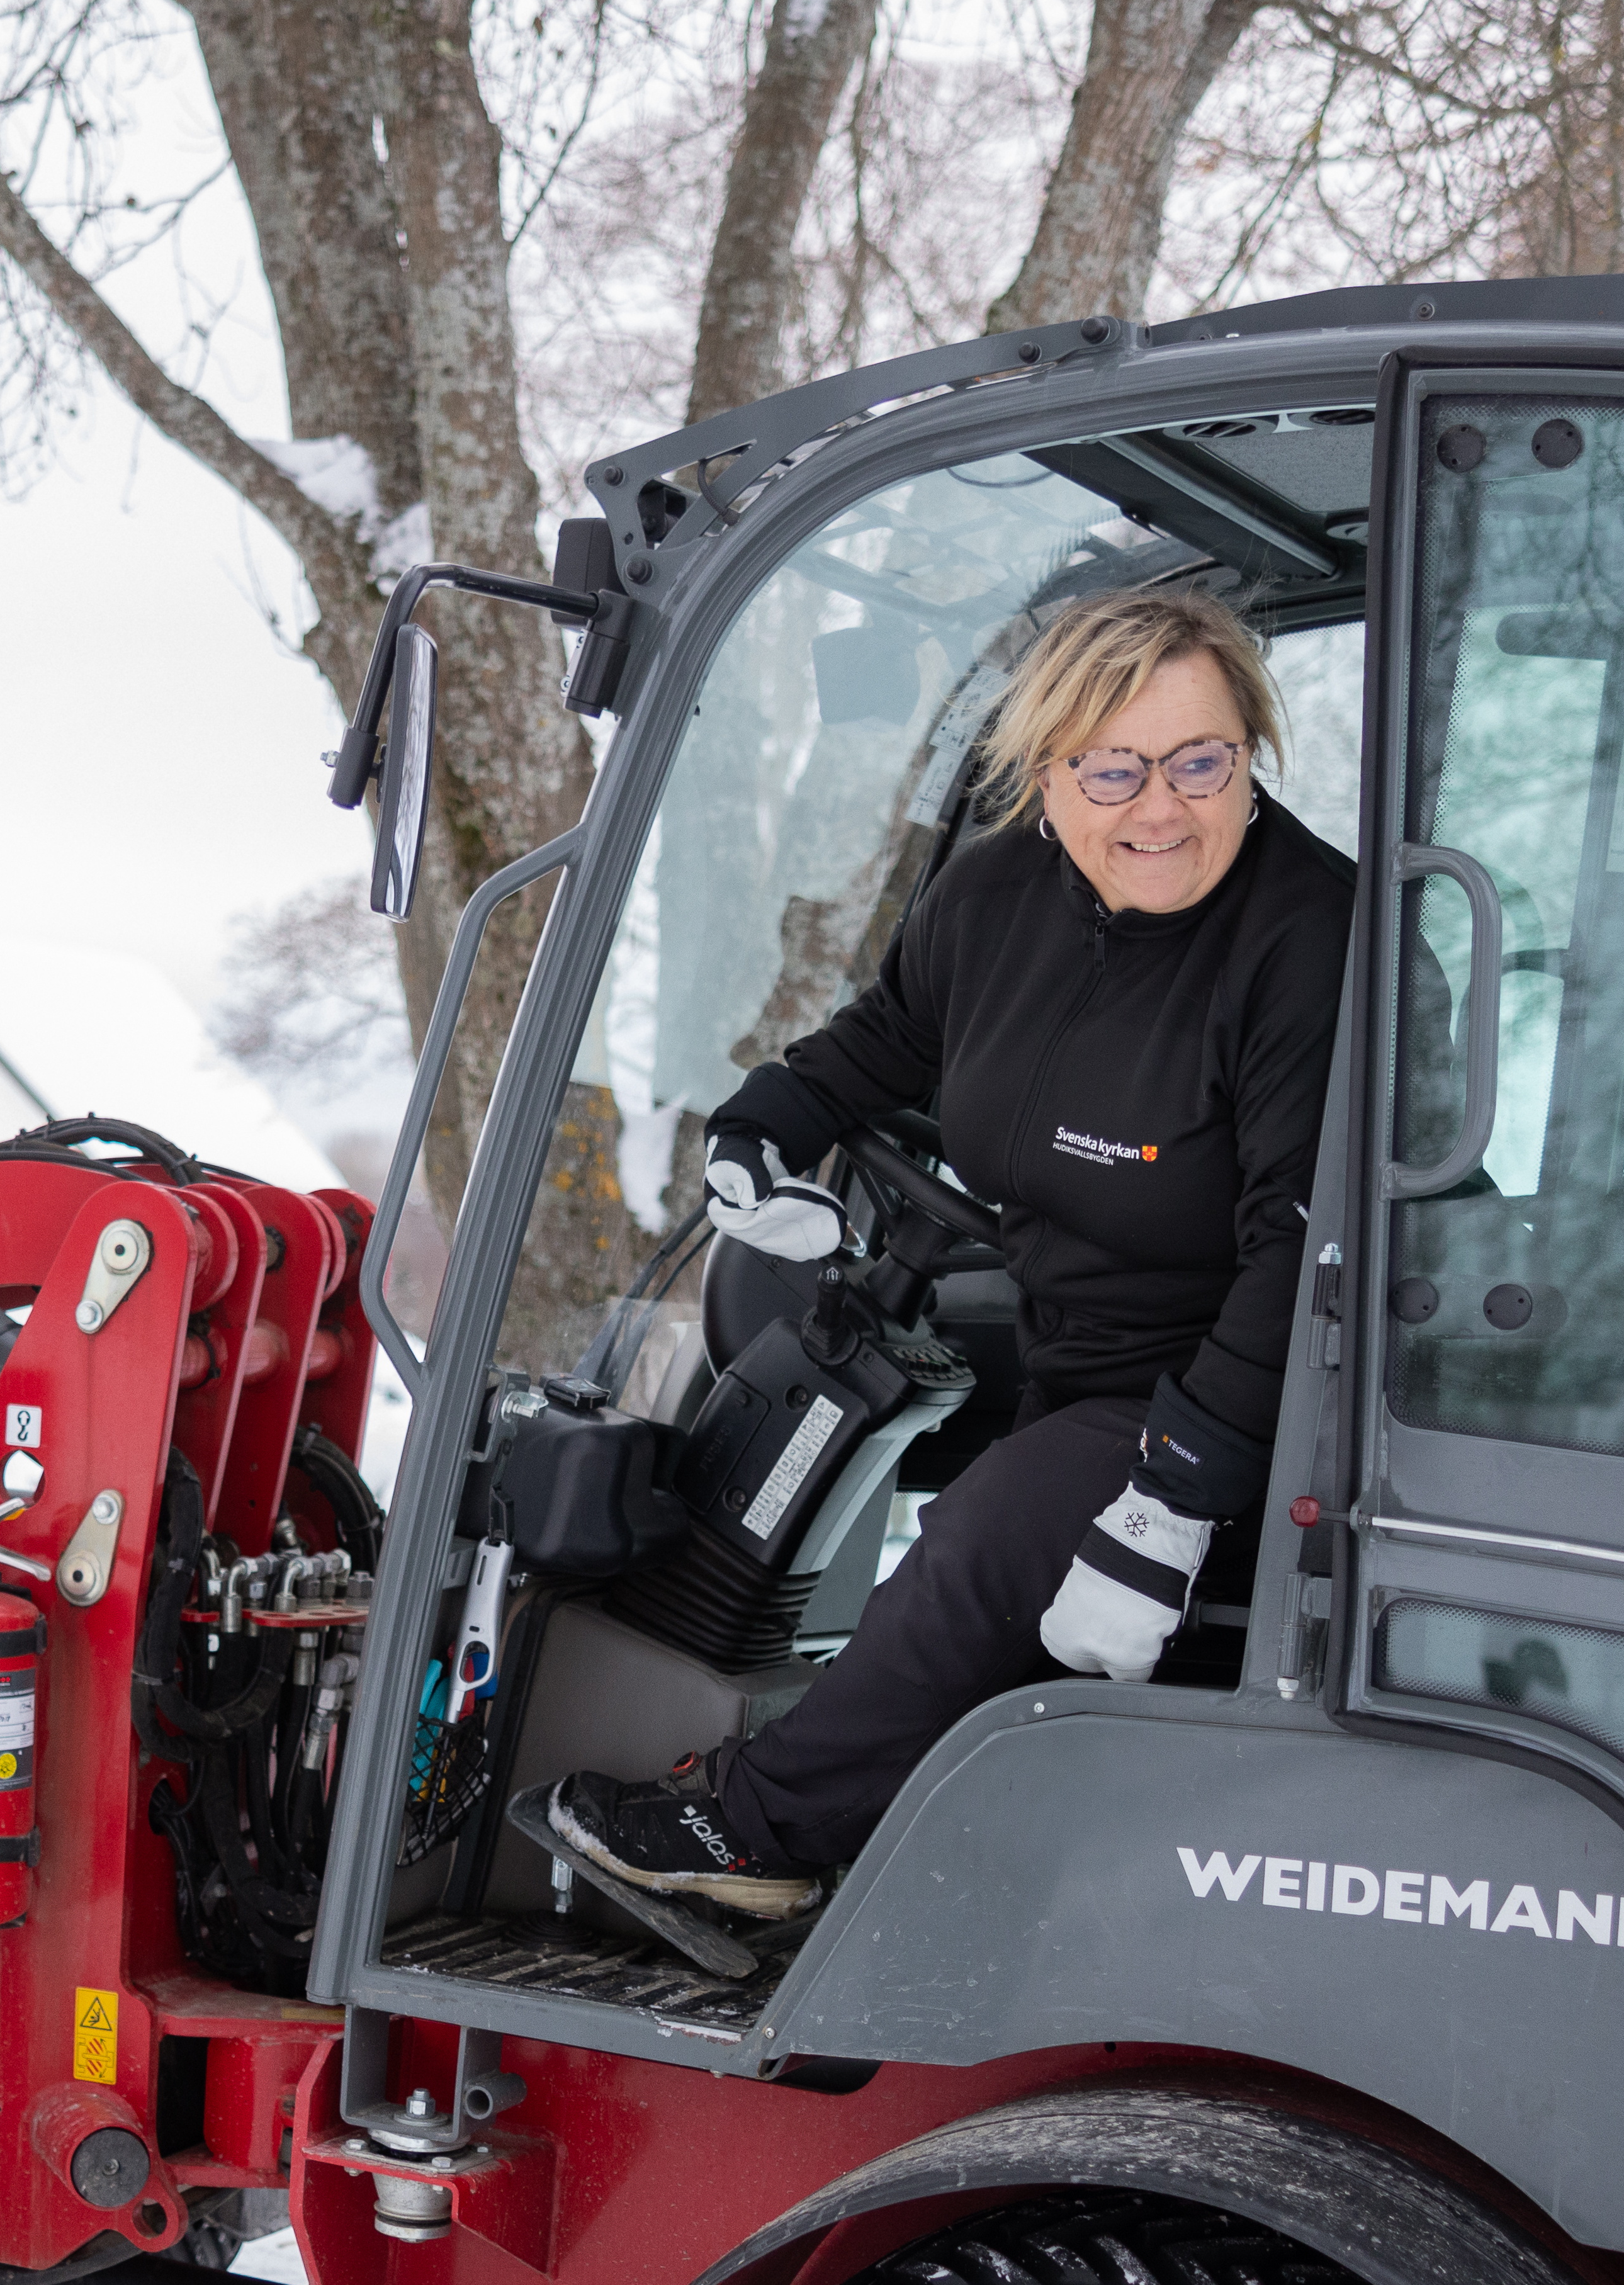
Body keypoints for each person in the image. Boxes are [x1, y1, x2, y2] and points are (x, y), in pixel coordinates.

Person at [543, 582, 1350, 1920]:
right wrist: (757, 1133)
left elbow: (1300, 1246)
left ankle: (758, 1835)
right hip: (1075, 1358)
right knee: (960, 1472)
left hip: (1253, 1394)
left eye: (1203, 761)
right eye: (1117, 769)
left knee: (982, 1530)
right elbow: (881, 1045)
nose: (1163, 807)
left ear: (1250, 751)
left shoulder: (1306, 935)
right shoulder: (996, 899)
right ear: (1049, 774)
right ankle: (945, 1854)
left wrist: (1172, 1503)